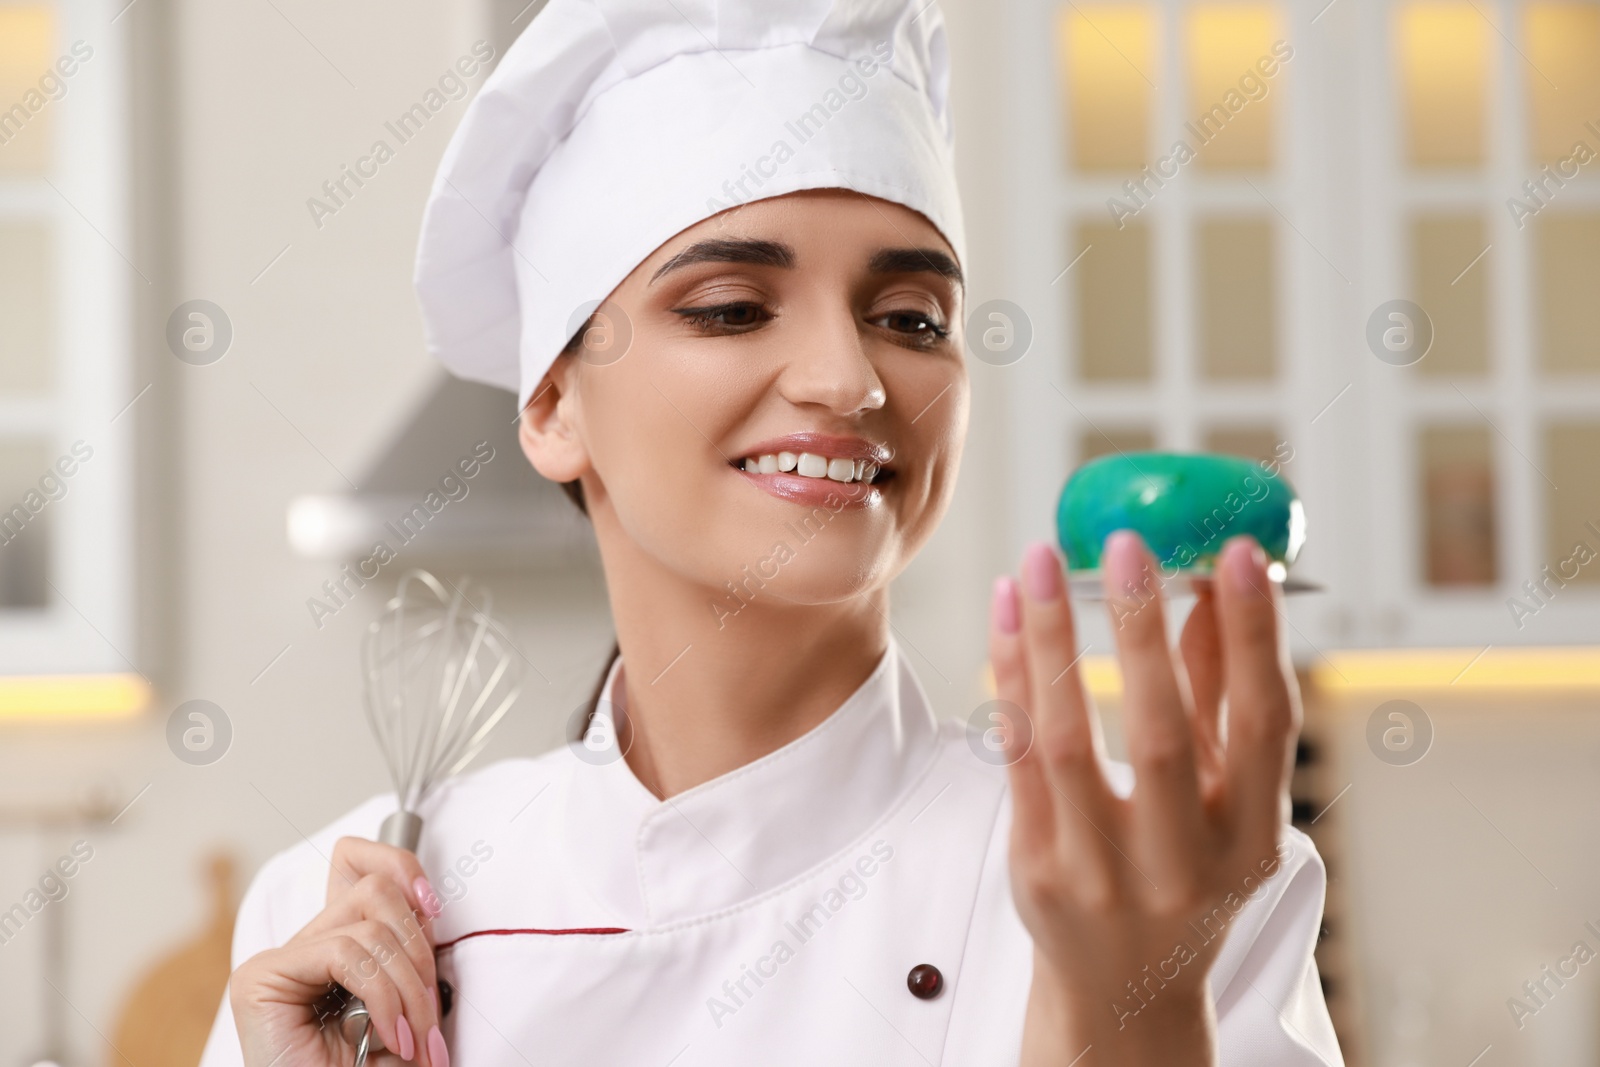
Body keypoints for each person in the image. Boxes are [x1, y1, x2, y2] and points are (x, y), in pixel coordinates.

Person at [200, 1, 1343, 1064]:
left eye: (910, 319)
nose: (848, 378)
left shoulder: (1168, 877)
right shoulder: (339, 924)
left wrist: (1123, 1016)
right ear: (552, 405)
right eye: (732, 308)